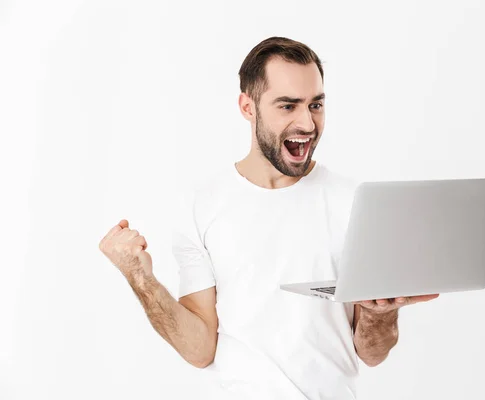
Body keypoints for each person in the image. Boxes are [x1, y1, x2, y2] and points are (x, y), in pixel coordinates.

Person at [99, 36, 439, 399]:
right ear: (248, 107)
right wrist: (140, 278)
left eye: (316, 105)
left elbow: (372, 353)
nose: (307, 123)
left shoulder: (357, 204)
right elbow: (200, 350)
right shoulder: (201, 205)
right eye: (288, 106)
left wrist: (379, 314)